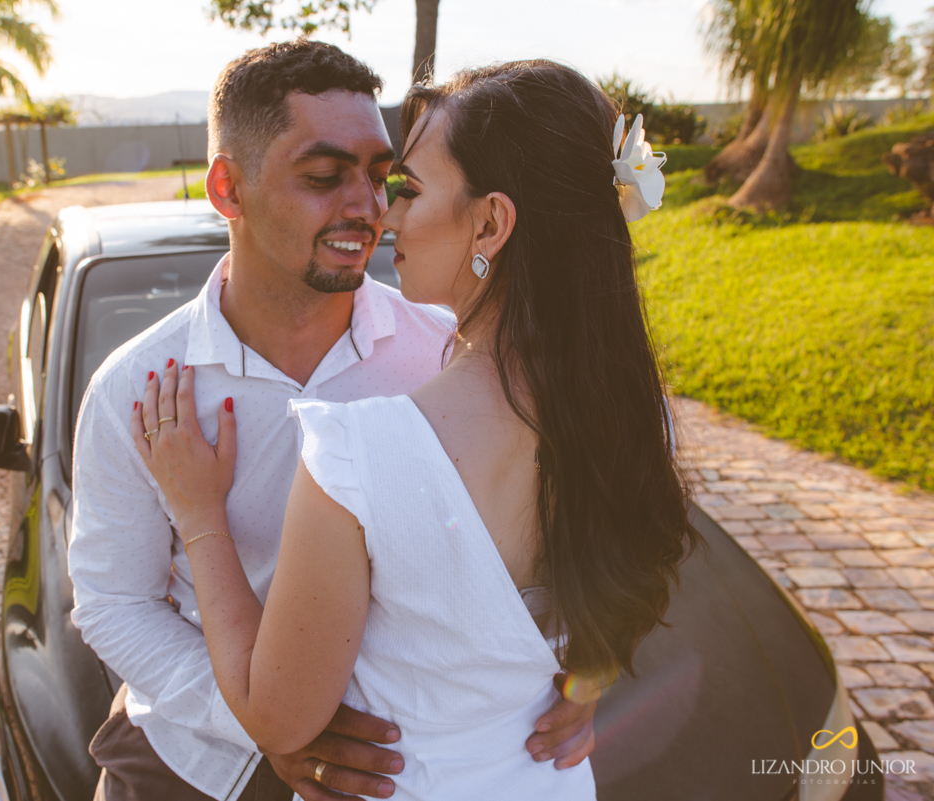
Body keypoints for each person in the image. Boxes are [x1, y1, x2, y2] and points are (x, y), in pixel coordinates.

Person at [129, 60, 699, 801]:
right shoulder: (632, 414)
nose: (384, 216)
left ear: (491, 221)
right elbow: (622, 580)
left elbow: (277, 718)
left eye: (409, 190)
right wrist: (586, 677)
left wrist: (199, 512)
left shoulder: (362, 454)